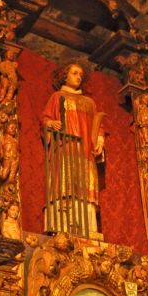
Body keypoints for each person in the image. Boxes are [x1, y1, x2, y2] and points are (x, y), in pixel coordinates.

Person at [42, 61, 105, 235]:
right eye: (74, 73)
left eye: (81, 75)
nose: (78, 77)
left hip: (85, 152)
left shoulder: (89, 102)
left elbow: (97, 125)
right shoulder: (57, 97)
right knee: (65, 184)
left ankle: (87, 228)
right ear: (65, 75)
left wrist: (99, 140)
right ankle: (63, 228)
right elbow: (46, 118)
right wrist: (51, 123)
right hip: (65, 148)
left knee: (85, 189)